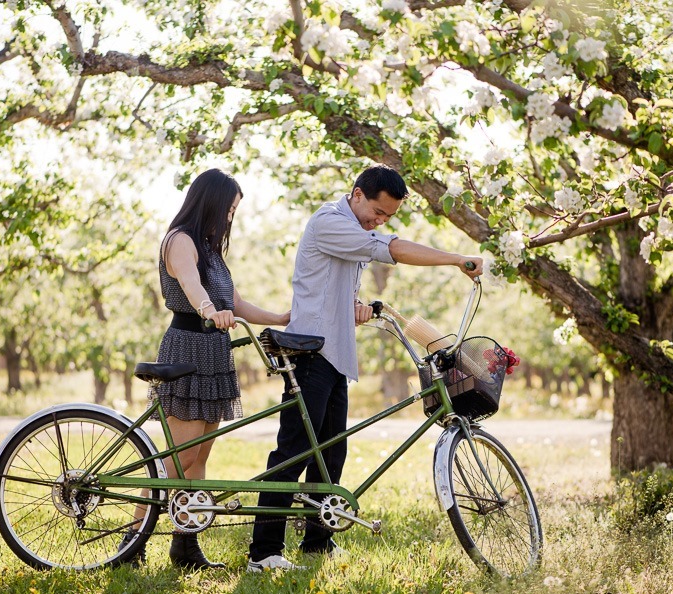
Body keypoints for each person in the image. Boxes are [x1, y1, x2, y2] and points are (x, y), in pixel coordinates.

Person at [246, 164, 483, 572]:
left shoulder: (351, 230)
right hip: (309, 354)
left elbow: (330, 282)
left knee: (332, 451)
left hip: (335, 353)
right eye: (377, 211)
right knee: (293, 452)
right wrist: (456, 259)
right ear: (357, 194)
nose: (381, 221)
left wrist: (353, 304)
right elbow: (391, 249)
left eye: (388, 216)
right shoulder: (329, 221)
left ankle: (317, 543)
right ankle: (264, 552)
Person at [125, 168, 289, 569]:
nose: (230, 218)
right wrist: (209, 311)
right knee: (178, 459)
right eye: (229, 209)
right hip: (188, 348)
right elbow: (191, 284)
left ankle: (185, 545)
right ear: (211, 203)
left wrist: (282, 317)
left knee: (199, 459)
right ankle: (132, 542)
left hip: (215, 352)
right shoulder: (179, 241)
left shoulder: (211, 249)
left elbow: (237, 302)